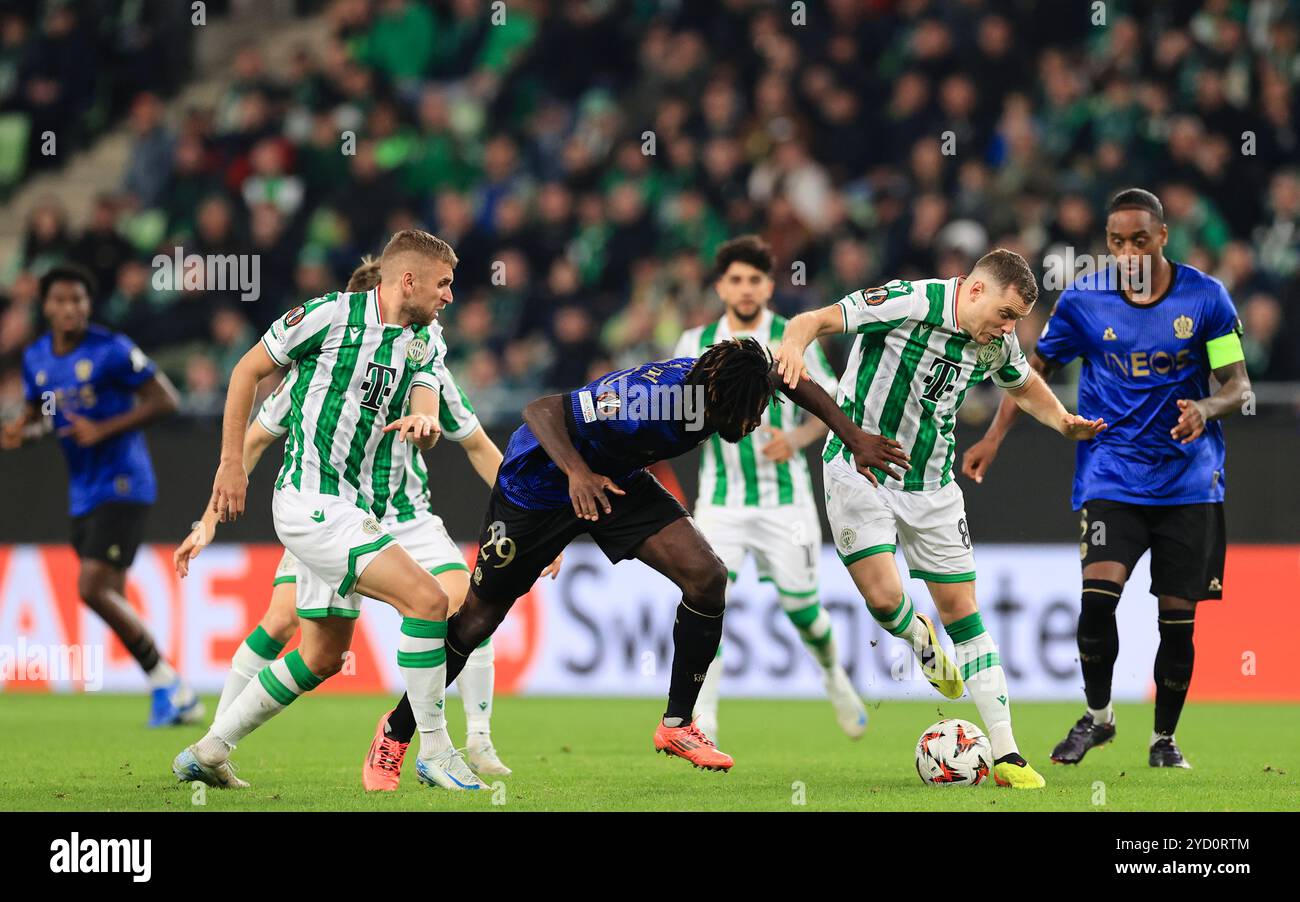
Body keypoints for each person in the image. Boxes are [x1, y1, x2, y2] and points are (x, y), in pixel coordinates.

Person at [374, 338, 908, 772]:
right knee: (476, 620)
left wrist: (854, 436)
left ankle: (678, 726)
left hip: (617, 483)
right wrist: (578, 475)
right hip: (539, 486)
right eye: (747, 415)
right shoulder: (651, 401)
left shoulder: (734, 377)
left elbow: (794, 381)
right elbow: (540, 409)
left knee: (707, 577)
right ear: (715, 400)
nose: (753, 423)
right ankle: (396, 735)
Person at [173, 257, 560, 789]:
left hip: (375, 513)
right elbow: (249, 388)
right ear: (405, 284)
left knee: (322, 656)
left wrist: (425, 422)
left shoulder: (425, 343)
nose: (450, 296)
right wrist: (213, 507)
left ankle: (209, 748)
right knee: (420, 602)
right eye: (443, 284)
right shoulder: (326, 324)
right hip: (315, 503)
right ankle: (434, 747)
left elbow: (445, 416)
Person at [775, 248, 1108, 789]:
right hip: (861, 471)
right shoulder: (911, 300)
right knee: (884, 600)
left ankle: (1007, 754)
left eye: (1017, 321)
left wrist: (1063, 421)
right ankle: (919, 639)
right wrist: (792, 346)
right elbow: (815, 320)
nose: (1009, 329)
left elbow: (1022, 386)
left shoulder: (995, 341)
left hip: (933, 487)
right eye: (1005, 315)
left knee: (964, 611)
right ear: (975, 290)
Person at [963, 189, 1251, 769]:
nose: (1127, 252)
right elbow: (1030, 370)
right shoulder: (1084, 302)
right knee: (1097, 603)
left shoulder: (1207, 298)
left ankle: (1163, 740)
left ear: (1162, 237)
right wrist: (994, 436)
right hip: (1111, 471)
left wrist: (1206, 409)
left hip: (1188, 480)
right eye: (1117, 241)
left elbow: (1237, 385)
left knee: (1177, 622)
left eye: (1139, 240)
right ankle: (1098, 719)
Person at [674, 235, 866, 741]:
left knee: (804, 612)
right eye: (735, 279)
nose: (744, 289)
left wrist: (797, 437)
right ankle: (705, 716)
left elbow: (826, 409)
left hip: (787, 502)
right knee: (707, 600)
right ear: (720, 286)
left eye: (754, 280)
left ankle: (834, 676)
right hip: (720, 502)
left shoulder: (790, 337)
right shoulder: (693, 342)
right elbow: (680, 411)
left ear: (768, 285)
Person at [2, 264, 195, 726]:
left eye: (79, 300)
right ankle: (167, 688)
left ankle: (172, 686)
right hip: (83, 490)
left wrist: (104, 427)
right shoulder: (36, 359)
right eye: (61, 300)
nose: (70, 308)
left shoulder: (111, 350)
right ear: (45, 307)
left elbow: (166, 399)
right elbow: (43, 415)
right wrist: (21, 433)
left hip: (124, 481)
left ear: (89, 305)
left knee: (91, 587)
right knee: (110, 593)